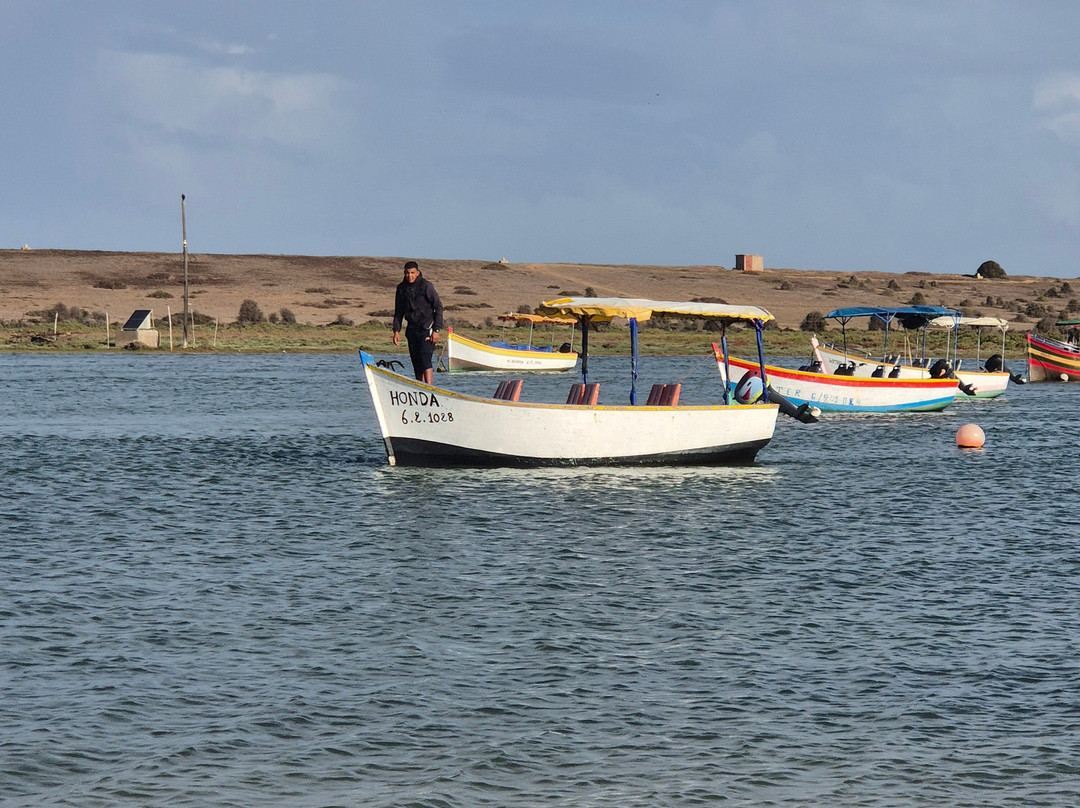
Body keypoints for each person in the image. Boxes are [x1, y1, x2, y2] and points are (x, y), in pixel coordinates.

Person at [392, 260, 444, 383]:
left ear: (417, 272)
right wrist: (396, 330)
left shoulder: (426, 286)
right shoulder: (401, 288)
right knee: (416, 362)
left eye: (412, 273)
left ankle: (429, 389)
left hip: (427, 328)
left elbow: (438, 307)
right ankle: (420, 388)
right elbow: (398, 311)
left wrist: (436, 330)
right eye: (407, 273)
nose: (409, 276)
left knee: (425, 359)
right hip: (412, 329)